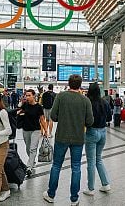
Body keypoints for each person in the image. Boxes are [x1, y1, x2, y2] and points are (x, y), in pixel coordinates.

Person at [43, 74, 94, 205]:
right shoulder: (85, 100)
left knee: (56, 165)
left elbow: (53, 116)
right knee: (76, 167)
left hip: (62, 136)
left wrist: (64, 117)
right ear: (80, 85)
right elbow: (90, 121)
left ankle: (51, 194)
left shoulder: (61, 96)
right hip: (78, 137)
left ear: (68, 83)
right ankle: (74, 199)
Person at [83, 83, 112, 196]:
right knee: (98, 159)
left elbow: (86, 119)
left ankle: (90, 189)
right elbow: (109, 117)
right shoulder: (104, 102)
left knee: (91, 161)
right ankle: (106, 184)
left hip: (91, 132)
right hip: (103, 132)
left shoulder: (88, 102)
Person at [20, 89, 47, 177]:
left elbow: (42, 119)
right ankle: (32, 161)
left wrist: (46, 130)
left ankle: (29, 167)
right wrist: (20, 104)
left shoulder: (38, 107)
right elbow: (18, 112)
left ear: (34, 96)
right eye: (26, 95)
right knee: (28, 148)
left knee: (33, 148)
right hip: (26, 129)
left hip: (36, 130)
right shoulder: (25, 105)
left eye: (29, 95)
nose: (27, 97)